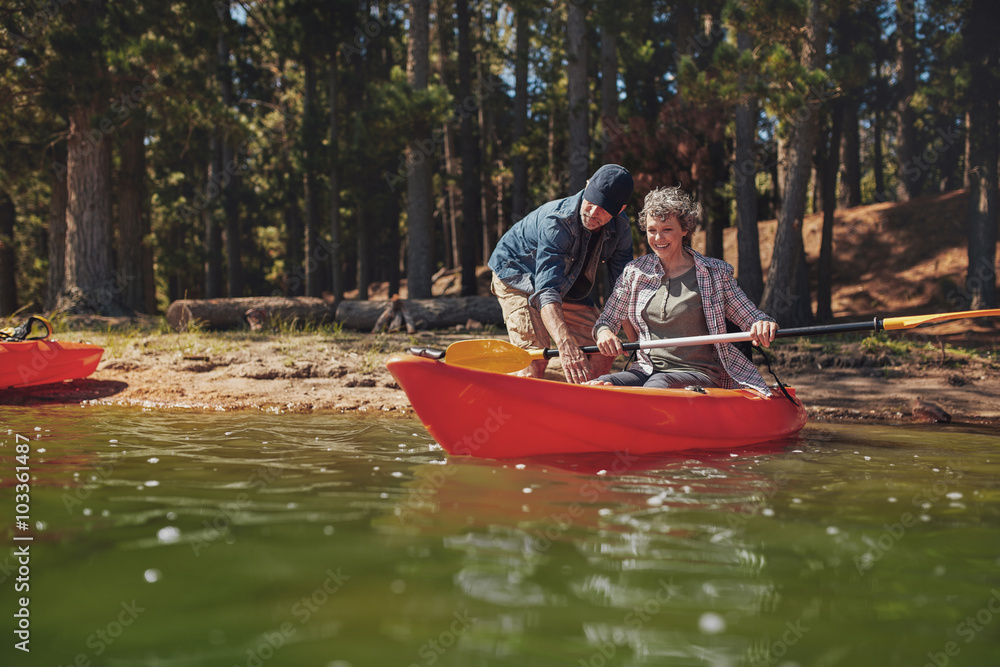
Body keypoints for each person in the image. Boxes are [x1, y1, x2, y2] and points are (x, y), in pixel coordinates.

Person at [585, 185, 778, 393]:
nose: (658, 239)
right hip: (646, 369)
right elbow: (606, 321)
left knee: (657, 385)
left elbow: (751, 316)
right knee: (601, 384)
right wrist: (605, 333)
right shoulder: (634, 272)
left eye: (667, 230)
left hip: (700, 373)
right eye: (652, 231)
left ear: (684, 229)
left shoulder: (715, 273)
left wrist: (762, 324)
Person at [488, 164, 635, 384]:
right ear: (586, 187)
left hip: (566, 283)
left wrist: (640, 346)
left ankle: (581, 410)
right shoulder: (558, 221)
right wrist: (566, 345)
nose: (593, 213)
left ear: (620, 209)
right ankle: (510, 397)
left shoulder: (621, 229)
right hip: (517, 274)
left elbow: (624, 291)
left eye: (604, 209)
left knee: (603, 352)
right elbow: (546, 291)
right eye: (591, 201)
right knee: (535, 359)